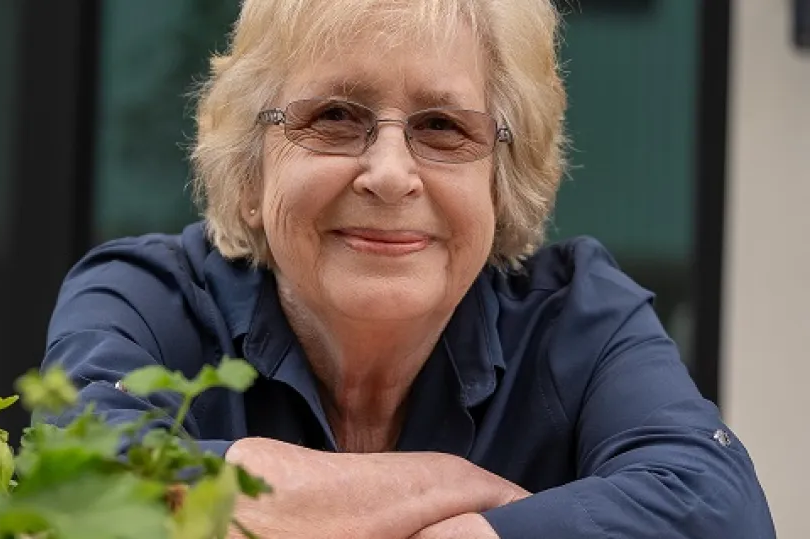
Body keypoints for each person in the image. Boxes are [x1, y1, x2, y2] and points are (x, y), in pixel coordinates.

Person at [39, 0, 776, 537]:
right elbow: (77, 474)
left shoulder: (580, 315)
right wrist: (453, 487)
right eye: (333, 116)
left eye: (442, 127)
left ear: (502, 178)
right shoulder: (144, 297)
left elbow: (719, 510)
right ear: (250, 175)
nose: (390, 175)